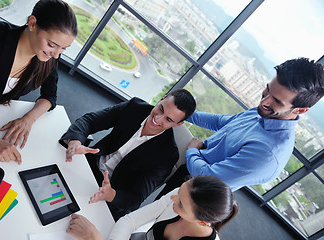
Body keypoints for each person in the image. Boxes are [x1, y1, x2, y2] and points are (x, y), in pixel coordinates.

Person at [158, 57, 324, 197]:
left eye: (277, 101)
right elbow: (220, 122)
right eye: (267, 90)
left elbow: (209, 178)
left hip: (196, 194)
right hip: (192, 165)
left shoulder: (269, 153)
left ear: (300, 110)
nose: (264, 101)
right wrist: (179, 111)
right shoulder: (263, 112)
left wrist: (192, 151)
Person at [0, 0, 77, 164]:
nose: (56, 55)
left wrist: (28, 119)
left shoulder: (47, 57)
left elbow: (50, 96)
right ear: (32, 23)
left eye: (63, 49)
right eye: (52, 45)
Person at [59, 89, 196, 220]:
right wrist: (76, 141)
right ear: (161, 99)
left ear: (178, 124)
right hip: (88, 165)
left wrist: (111, 194)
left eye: (169, 120)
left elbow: (136, 197)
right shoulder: (135, 107)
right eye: (160, 109)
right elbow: (90, 121)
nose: (158, 119)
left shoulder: (168, 155)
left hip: (109, 192)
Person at [66, 175, 239, 240]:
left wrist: (95, 238)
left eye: (180, 204)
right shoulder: (182, 194)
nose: (172, 198)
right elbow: (129, 220)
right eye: (180, 190)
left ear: (202, 222)